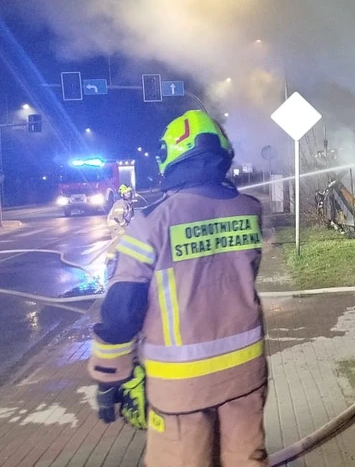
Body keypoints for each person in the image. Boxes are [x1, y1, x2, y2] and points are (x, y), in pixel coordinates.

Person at [88, 110, 269, 466]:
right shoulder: (249, 210)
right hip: (246, 376)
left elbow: (122, 307)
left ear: (171, 156)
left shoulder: (151, 222)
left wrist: (111, 377)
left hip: (180, 389)